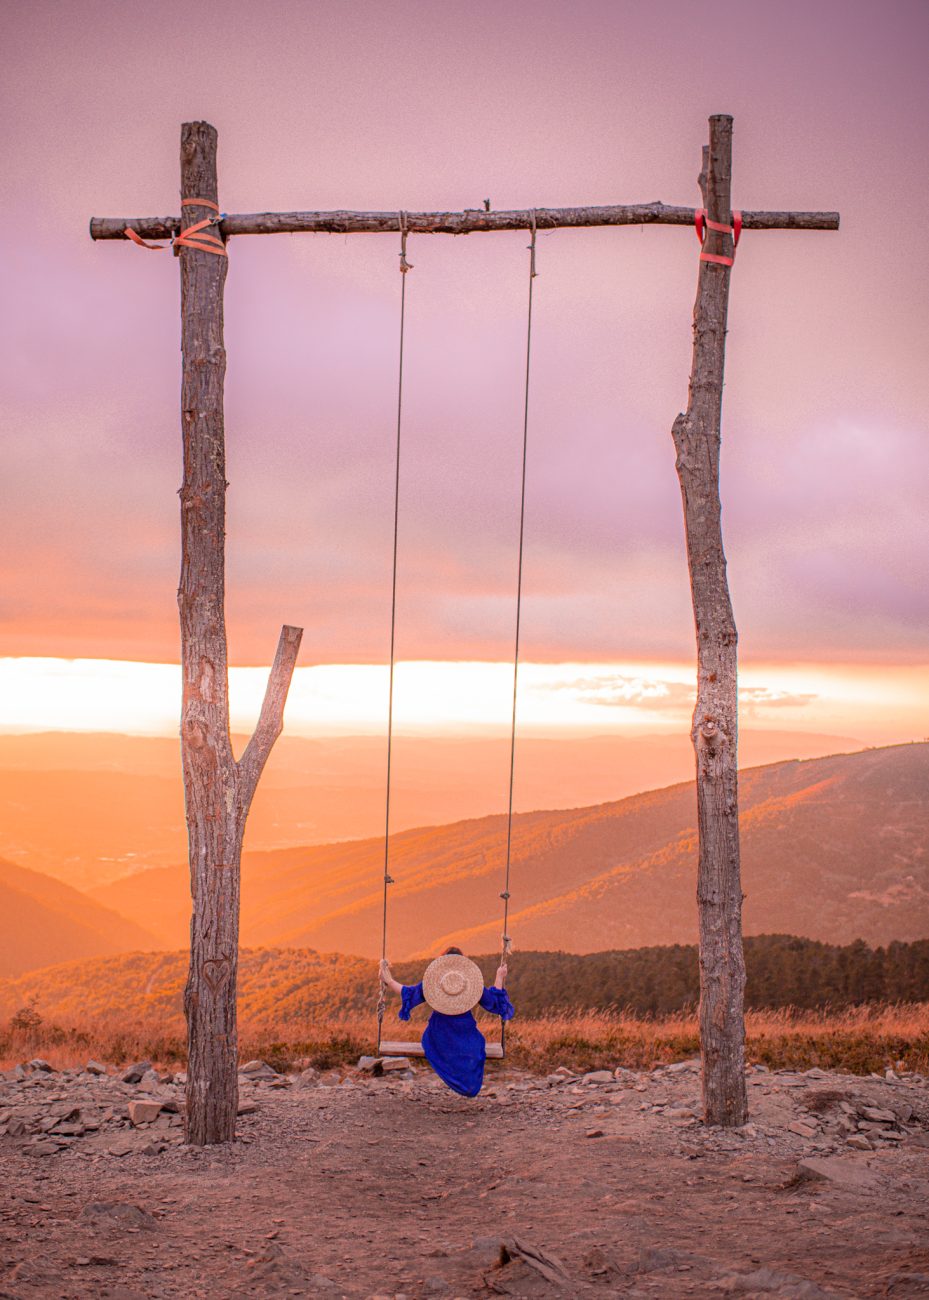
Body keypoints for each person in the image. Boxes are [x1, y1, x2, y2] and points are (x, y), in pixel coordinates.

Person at [379, 947, 514, 1098]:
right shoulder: (471, 984)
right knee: (474, 1051)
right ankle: (468, 1087)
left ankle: (459, 1081)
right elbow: (495, 1002)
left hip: (438, 1035)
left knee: (450, 1048)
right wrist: (499, 976)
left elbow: (408, 992)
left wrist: (388, 980)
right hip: (466, 1033)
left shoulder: (433, 983)